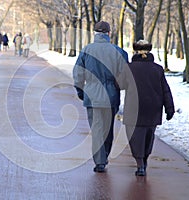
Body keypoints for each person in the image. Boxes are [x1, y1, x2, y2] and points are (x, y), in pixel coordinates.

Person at [73, 21, 128, 173]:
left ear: (95, 33)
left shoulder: (86, 50)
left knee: (97, 129)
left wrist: (80, 89)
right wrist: (118, 86)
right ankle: (104, 156)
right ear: (109, 34)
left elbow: (78, 73)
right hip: (111, 96)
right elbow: (125, 76)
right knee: (108, 128)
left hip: (92, 95)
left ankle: (100, 160)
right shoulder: (119, 51)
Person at [117, 40, 175, 176]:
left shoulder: (129, 68)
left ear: (135, 52)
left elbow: (119, 85)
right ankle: (145, 159)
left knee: (135, 137)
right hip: (153, 108)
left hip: (134, 108)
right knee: (149, 136)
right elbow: (165, 90)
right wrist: (169, 108)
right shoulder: (158, 69)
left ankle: (140, 164)